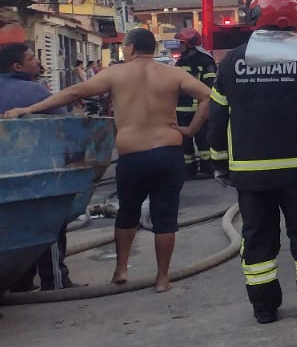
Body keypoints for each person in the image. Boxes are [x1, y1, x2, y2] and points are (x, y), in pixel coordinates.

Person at [5, 28, 210, 293]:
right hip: (167, 151)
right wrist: (191, 129)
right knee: (165, 217)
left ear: (132, 48)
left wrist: (28, 110)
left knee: (127, 214)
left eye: (125, 47)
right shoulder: (173, 73)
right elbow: (208, 96)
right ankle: (162, 278)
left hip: (132, 155)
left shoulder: (115, 73)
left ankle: (121, 270)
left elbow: (72, 93)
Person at [207, 0, 297, 324]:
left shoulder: (232, 62)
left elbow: (217, 116)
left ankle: (264, 307)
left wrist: (219, 162)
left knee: (256, 237)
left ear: (255, 20)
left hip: (249, 172)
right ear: (294, 24)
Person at [0, 43, 75, 291]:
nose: (37, 62)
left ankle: (18, 281)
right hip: (38, 172)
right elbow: (65, 123)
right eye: (32, 58)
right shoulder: (35, 91)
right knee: (49, 225)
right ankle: (54, 280)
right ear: (17, 66)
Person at [171, 27, 217, 179]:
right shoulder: (180, 62)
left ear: (190, 43)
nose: (178, 46)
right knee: (184, 143)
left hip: (200, 108)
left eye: (181, 43)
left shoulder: (205, 61)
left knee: (204, 141)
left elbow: (210, 85)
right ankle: (188, 169)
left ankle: (208, 168)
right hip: (181, 109)